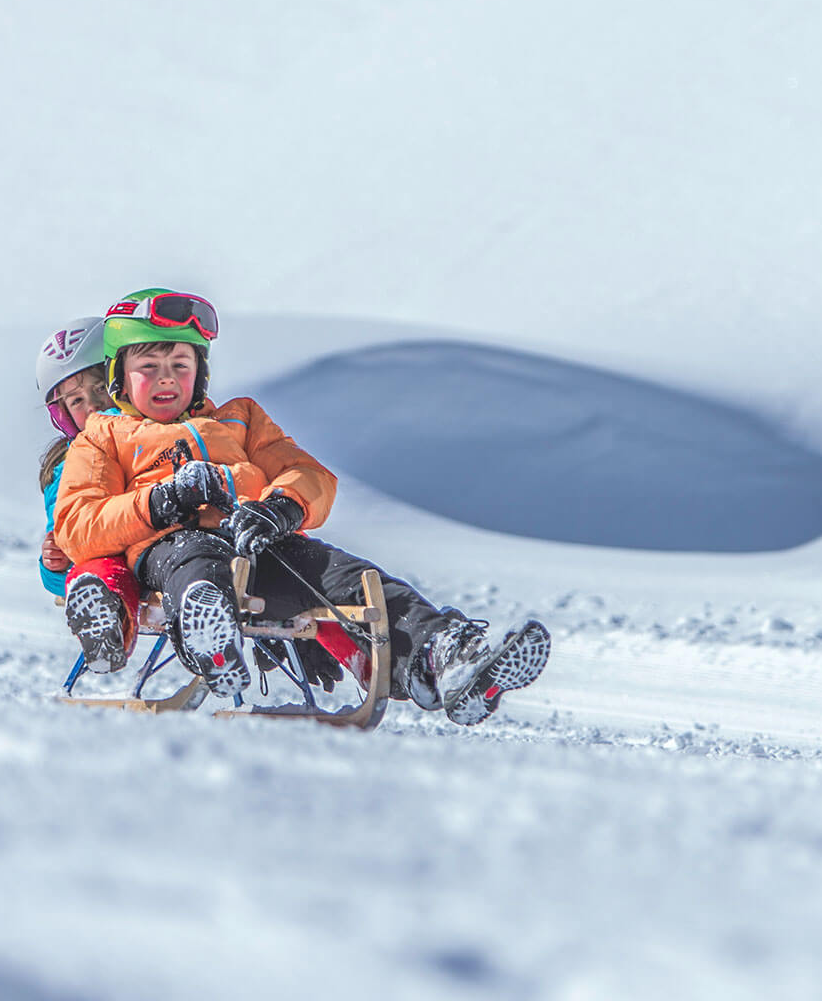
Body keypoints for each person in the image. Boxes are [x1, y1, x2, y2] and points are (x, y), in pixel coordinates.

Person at [53, 288, 549, 724]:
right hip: (167, 551)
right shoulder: (102, 437)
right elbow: (78, 526)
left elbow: (309, 474)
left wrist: (281, 508)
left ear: (200, 373)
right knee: (196, 562)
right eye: (149, 368)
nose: (166, 379)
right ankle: (211, 641)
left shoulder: (240, 418)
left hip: (255, 546)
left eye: (180, 365)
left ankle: (443, 657)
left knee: (345, 575)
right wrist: (160, 501)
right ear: (119, 377)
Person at [34, 317, 142, 673]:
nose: (93, 406)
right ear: (63, 415)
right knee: (95, 570)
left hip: (163, 553)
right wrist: (56, 564)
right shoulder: (66, 467)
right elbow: (63, 539)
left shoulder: (153, 435)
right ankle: (102, 631)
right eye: (77, 401)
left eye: (100, 389)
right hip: (107, 566)